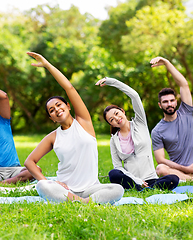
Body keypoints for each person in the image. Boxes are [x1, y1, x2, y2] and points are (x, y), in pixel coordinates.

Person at [24, 52, 124, 204]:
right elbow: (29, 162)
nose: (56, 109)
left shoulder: (84, 122)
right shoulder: (53, 137)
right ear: (52, 119)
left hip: (91, 187)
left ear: (68, 106)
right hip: (66, 189)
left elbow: (69, 87)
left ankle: (79, 201)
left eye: (59, 105)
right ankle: (84, 201)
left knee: (118, 189)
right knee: (42, 185)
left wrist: (48, 65)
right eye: (52, 110)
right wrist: (51, 182)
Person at [96, 77, 179, 191]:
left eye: (116, 113)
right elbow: (118, 167)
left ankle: (146, 188)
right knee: (113, 174)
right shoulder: (113, 140)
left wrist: (111, 81)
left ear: (122, 111)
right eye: (111, 120)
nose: (116, 118)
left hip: (150, 178)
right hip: (133, 180)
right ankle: (139, 188)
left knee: (173, 179)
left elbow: (134, 95)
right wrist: (137, 180)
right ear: (112, 125)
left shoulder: (140, 123)